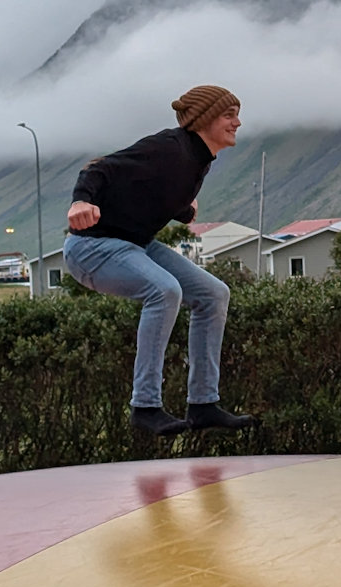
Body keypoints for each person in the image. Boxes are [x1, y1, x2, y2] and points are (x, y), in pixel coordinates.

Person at [62, 85, 257, 437]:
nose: (237, 122)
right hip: (92, 248)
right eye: (229, 115)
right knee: (164, 291)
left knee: (214, 294)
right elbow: (100, 169)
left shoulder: (198, 159)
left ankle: (203, 405)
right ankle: (146, 407)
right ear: (205, 118)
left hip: (136, 244)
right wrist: (80, 201)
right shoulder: (170, 147)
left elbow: (156, 193)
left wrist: (184, 210)